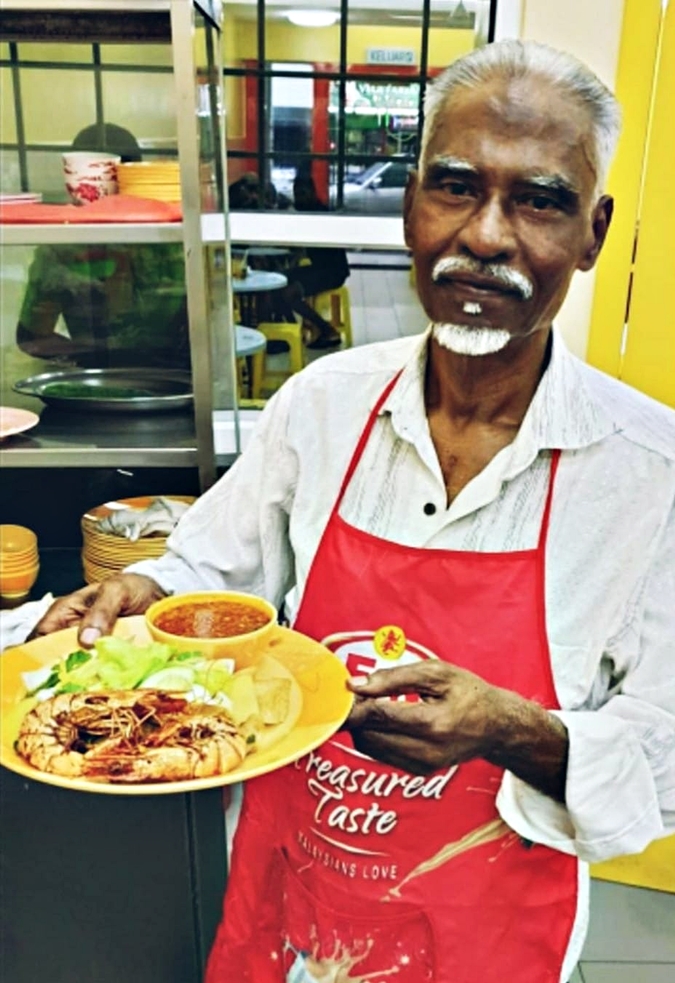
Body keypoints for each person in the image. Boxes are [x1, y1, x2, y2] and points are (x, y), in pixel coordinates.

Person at [30, 40, 675, 983]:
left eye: (538, 200)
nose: (487, 236)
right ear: (411, 203)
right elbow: (212, 566)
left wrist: (512, 730)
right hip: (297, 887)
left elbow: (664, 754)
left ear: (593, 232)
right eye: (454, 186)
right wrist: (144, 586)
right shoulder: (322, 403)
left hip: (491, 922)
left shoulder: (649, 474)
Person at [16, 124, 190, 370]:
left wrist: (91, 357)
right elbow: (32, 336)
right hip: (169, 377)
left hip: (99, 378)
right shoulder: (169, 242)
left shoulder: (60, 247)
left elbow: (32, 336)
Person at [271, 172, 350, 349]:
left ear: (313, 193)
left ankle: (327, 330)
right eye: (297, 194)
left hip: (332, 271)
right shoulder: (305, 213)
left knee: (288, 292)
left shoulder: (318, 214)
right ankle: (294, 330)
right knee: (277, 284)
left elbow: (299, 248)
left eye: (303, 194)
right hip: (318, 268)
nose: (299, 198)